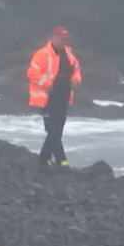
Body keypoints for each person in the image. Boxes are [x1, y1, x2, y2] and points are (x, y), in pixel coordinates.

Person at [25, 26, 82, 166]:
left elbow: (76, 70)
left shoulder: (69, 55)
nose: (63, 42)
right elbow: (32, 72)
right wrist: (46, 84)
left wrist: (76, 79)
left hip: (64, 96)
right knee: (53, 130)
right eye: (61, 39)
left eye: (65, 39)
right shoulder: (42, 54)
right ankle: (62, 161)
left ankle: (43, 159)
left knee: (57, 130)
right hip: (47, 98)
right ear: (53, 38)